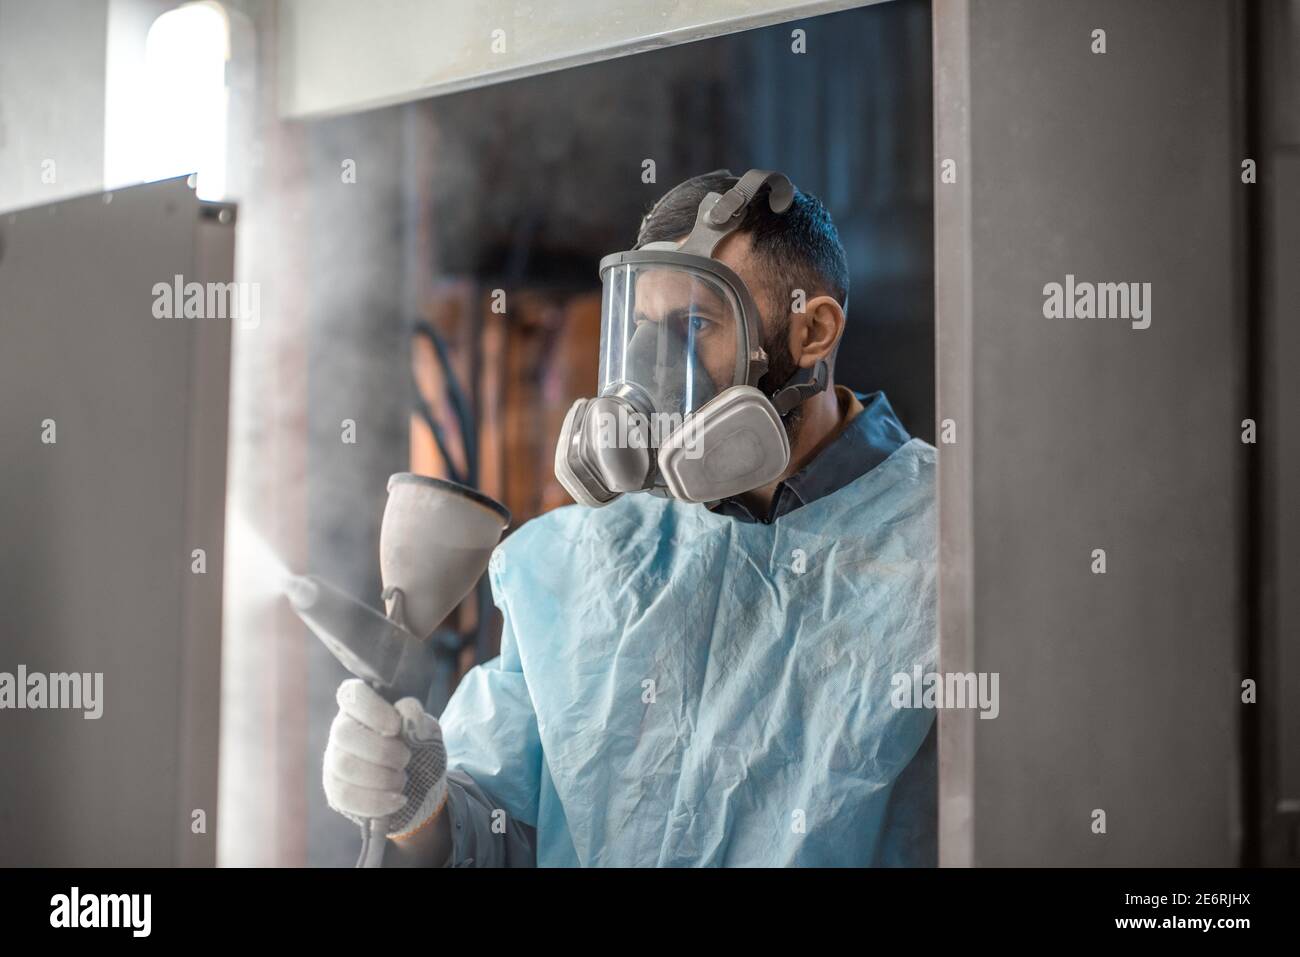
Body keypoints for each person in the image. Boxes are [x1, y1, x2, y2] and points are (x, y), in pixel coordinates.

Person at [323, 169, 938, 867]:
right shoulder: (598, 551)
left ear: (813, 331)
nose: (651, 370)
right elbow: (498, 832)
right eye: (642, 328)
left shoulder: (946, 543)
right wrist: (418, 804)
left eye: (695, 325)